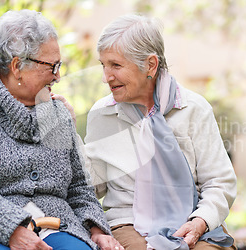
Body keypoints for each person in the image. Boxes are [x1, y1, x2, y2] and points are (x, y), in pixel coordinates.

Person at [0, 10, 123, 250]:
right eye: (52, 66)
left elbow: (79, 186)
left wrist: (97, 230)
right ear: (17, 66)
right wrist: (10, 227)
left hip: (56, 225)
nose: (58, 76)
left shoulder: (56, 113)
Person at [83, 14, 237, 250]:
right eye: (103, 65)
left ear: (150, 65)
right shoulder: (102, 115)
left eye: (116, 65)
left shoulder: (193, 109)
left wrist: (200, 221)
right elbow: (89, 187)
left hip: (192, 219)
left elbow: (219, 182)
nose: (106, 77)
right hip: (127, 223)